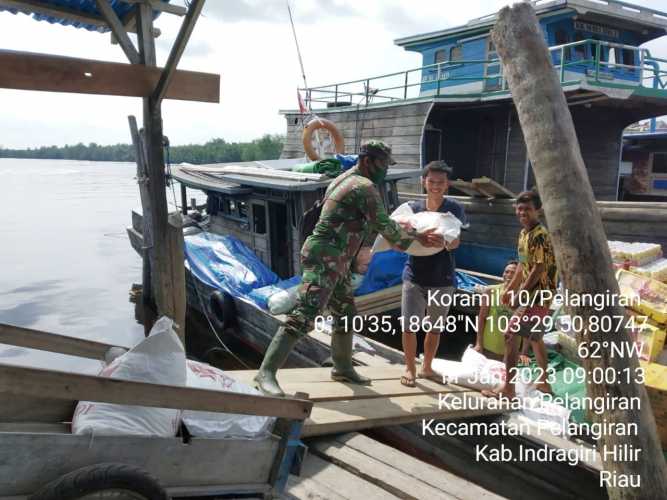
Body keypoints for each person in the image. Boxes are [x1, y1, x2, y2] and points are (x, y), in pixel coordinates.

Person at [254, 141, 444, 396]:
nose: (385, 171)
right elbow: (385, 226)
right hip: (326, 257)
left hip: (338, 258)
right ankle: (265, 373)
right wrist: (418, 238)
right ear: (368, 162)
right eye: (384, 165)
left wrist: (404, 233)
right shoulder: (364, 186)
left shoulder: (346, 178)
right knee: (305, 313)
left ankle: (342, 367)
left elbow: (370, 224)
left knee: (345, 313)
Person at [400, 161, 467, 387]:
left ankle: (426, 367)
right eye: (431, 181)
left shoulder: (454, 209)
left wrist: (445, 243)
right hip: (414, 275)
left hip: (443, 277)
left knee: (435, 327)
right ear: (423, 182)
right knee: (409, 325)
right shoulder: (413, 209)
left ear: (447, 184)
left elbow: (456, 241)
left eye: (440, 182)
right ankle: (409, 368)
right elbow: (400, 237)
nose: (435, 186)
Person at [486, 189, 558, 399]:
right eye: (519, 209)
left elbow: (538, 268)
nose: (522, 212)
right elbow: (521, 266)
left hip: (538, 294)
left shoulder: (540, 235)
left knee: (510, 335)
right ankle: (543, 382)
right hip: (534, 294)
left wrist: (520, 294)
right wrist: (509, 288)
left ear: (538, 210)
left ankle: (508, 389)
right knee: (535, 338)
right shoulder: (524, 233)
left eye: (527, 209)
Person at [474, 260, 518, 357]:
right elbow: (482, 318)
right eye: (507, 272)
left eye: (513, 273)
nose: (509, 275)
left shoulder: (523, 296)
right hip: (488, 348)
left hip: (511, 353)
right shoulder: (490, 290)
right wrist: (478, 343)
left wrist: (523, 353)